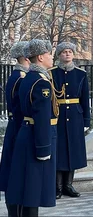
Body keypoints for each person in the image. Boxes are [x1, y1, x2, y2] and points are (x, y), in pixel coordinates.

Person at [5, 39, 58, 217]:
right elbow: (42, 117)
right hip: (37, 137)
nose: (52, 57)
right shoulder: (41, 82)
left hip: (25, 133)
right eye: (50, 54)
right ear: (41, 57)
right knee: (33, 190)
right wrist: (44, 148)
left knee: (27, 187)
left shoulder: (28, 78)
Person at [49, 42, 89, 199]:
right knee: (59, 150)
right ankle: (57, 186)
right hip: (57, 115)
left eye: (69, 52)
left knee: (72, 150)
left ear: (73, 54)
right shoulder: (51, 73)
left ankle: (68, 184)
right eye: (64, 52)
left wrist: (86, 120)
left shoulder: (81, 74)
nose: (67, 54)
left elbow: (85, 98)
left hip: (74, 116)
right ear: (59, 55)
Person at [0, 41, 30, 216]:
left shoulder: (17, 76)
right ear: (26, 57)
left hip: (15, 127)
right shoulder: (21, 78)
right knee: (16, 173)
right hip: (19, 128)